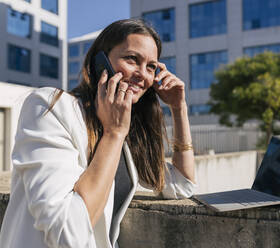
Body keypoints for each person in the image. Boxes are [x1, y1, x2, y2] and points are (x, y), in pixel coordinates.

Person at [0, 19, 196, 248]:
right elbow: (67, 234)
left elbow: (182, 185)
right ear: (100, 62)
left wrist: (178, 108)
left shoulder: (123, 130)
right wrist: (113, 134)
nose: (142, 74)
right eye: (132, 59)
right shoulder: (51, 107)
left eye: (151, 67)